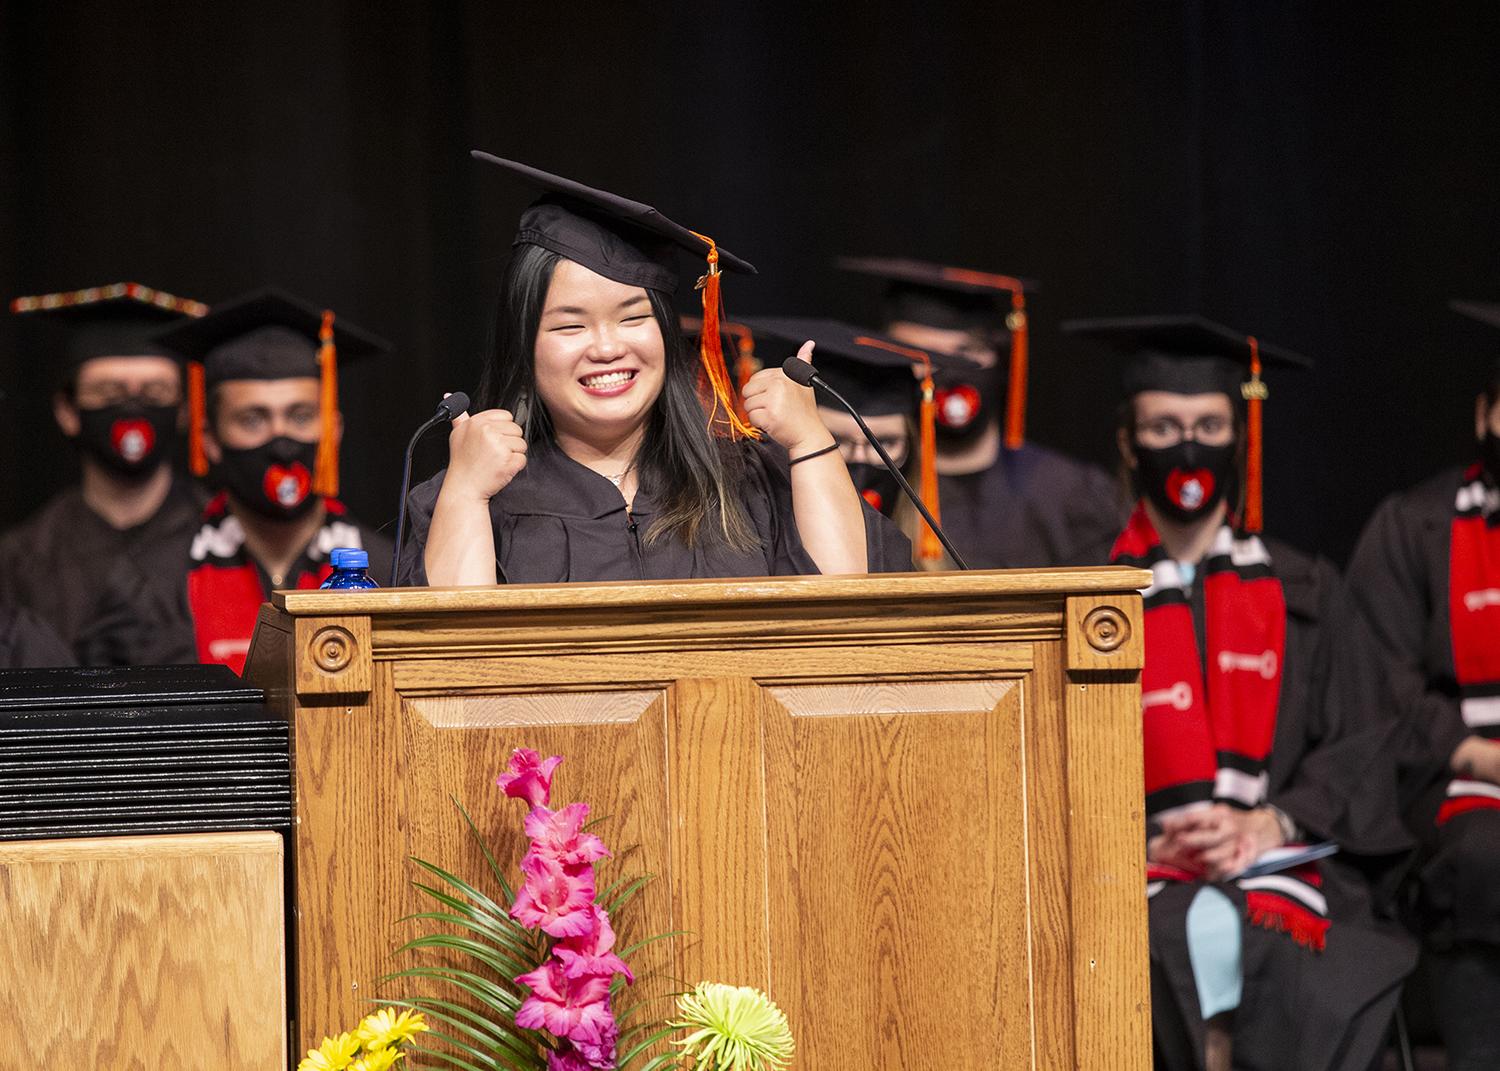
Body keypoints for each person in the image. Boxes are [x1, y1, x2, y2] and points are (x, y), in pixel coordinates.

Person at [1066, 314, 1415, 1071]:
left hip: (1281, 861)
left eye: (1208, 424)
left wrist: (1271, 822)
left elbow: (1360, 739)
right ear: (1128, 442)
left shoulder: (1306, 588)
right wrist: (1133, 836)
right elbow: (1048, 751)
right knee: (1166, 944)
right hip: (1130, 866)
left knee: (1290, 964)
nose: (1188, 445)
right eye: (1163, 425)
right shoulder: (1082, 593)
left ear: (1239, 438)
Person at [401, 154, 910, 585]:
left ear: (667, 335)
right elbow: (452, 669)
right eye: (569, 327)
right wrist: (466, 493)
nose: (606, 348)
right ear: (524, 345)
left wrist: (807, 443)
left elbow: (848, 624)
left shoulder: (751, 482)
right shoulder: (478, 496)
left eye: (633, 318)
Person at [1335, 299, 1500, 1070]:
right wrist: (1474, 753)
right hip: (1459, 780)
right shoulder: (1416, 524)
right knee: (1484, 850)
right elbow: (1378, 677)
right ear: (1486, 414)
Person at [154, 288, 392, 673]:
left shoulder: (390, 573)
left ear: (333, 429)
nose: (281, 443)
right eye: (252, 419)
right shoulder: (156, 582)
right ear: (209, 439)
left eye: (300, 417)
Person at [838, 256, 1122, 567]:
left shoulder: (1068, 492)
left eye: (965, 352)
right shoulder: (872, 493)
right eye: (922, 356)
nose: (947, 371)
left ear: (998, 357)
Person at [0, 282, 209, 664]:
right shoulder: (19, 561)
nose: (132, 406)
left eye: (155, 392)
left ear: (183, 410)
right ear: (68, 412)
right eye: (109, 392)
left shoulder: (226, 544)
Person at [732, 316, 980, 569]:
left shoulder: (950, 544)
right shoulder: (752, 546)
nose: (862, 459)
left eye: (884, 442)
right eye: (834, 439)